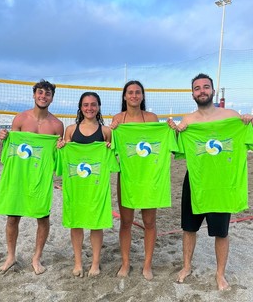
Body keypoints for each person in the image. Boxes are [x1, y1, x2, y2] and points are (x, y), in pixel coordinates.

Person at [171, 73, 253, 290]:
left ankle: (220, 274)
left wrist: (246, 121)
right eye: (197, 88)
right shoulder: (188, 122)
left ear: (213, 91)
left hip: (222, 185)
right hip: (196, 182)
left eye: (206, 87)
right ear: (192, 94)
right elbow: (176, 150)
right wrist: (176, 132)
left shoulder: (231, 117)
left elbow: (248, 141)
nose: (202, 91)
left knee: (221, 232)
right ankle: (187, 266)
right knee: (189, 228)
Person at [110, 80, 178, 280]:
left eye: (137, 92)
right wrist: (111, 130)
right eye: (130, 92)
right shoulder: (118, 119)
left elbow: (161, 139)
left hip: (149, 177)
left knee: (149, 222)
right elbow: (109, 145)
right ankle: (125, 263)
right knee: (126, 222)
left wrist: (171, 128)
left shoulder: (150, 118)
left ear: (142, 96)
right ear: (124, 96)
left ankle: (147, 265)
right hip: (128, 176)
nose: (134, 95)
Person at [0, 79, 64, 275]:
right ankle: (11, 256)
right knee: (12, 216)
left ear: (52, 98)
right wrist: (4, 139)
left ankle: (36, 258)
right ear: (34, 95)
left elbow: (58, 157)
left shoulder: (57, 125)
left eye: (47, 93)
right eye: (40, 92)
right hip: (18, 175)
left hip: (40, 177)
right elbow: (9, 152)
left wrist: (60, 148)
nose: (43, 96)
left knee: (43, 217)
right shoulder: (20, 119)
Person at [57, 92, 117, 277]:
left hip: (96, 186)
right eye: (85, 105)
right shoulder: (70, 130)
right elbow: (63, 157)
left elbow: (113, 160)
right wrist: (61, 147)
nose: (89, 108)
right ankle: (78, 263)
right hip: (76, 186)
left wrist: (110, 148)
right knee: (76, 223)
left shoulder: (106, 132)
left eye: (93, 104)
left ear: (98, 107)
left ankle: (95, 263)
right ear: (80, 107)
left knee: (96, 224)